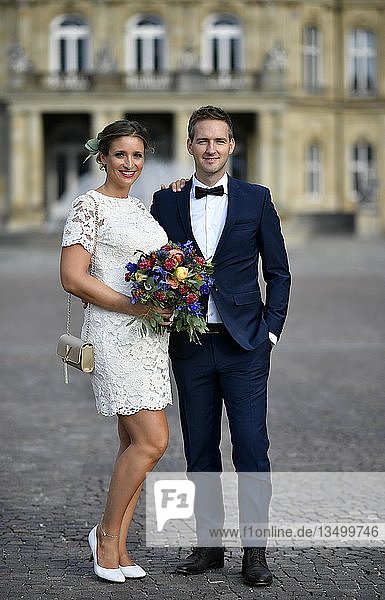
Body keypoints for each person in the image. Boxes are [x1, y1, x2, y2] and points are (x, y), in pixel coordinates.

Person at [151, 106, 291, 587]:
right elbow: (147, 262)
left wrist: (269, 331)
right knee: (199, 451)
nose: (211, 149)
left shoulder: (256, 199)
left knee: (252, 448)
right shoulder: (165, 202)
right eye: (202, 141)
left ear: (232, 147)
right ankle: (208, 547)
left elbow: (278, 271)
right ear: (189, 146)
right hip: (189, 344)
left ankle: (256, 553)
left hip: (245, 345)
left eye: (220, 141)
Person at [60, 120, 173, 583]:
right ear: (102, 157)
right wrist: (136, 305)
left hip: (149, 339)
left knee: (133, 444)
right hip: (115, 334)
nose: (130, 164)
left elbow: (158, 264)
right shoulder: (88, 206)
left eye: (138, 156)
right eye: (121, 155)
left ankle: (121, 546)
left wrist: (167, 299)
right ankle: (106, 537)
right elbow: (73, 277)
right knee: (153, 440)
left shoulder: (144, 210)